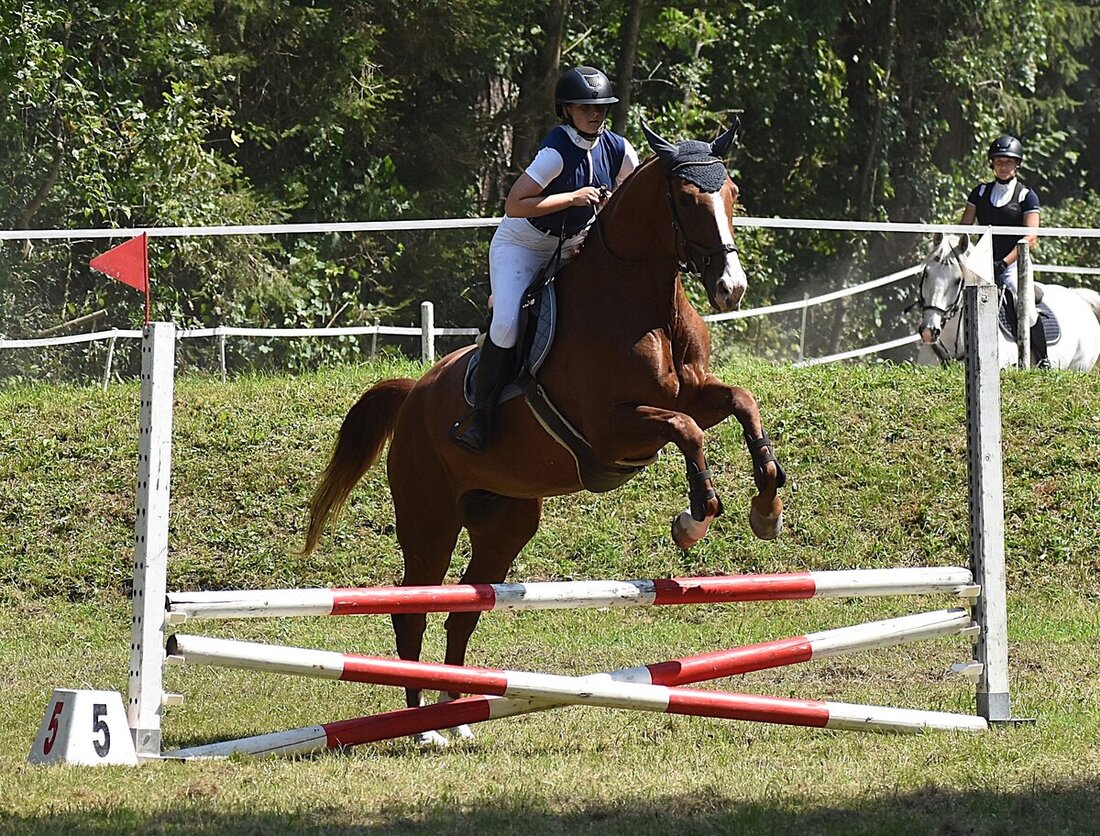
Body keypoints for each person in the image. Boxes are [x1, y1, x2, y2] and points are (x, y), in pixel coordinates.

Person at [452, 66, 641, 453]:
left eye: (601, 107)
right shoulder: (555, 153)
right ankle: (482, 414)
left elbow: (630, 197)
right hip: (523, 246)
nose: (595, 114)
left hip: (573, 245)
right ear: (566, 110)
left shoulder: (620, 150)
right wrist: (573, 198)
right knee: (506, 326)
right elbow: (515, 204)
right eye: (585, 107)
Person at [959, 134, 1047, 367]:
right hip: (981, 262)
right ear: (992, 163)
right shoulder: (979, 193)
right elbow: (963, 228)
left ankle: (1042, 359)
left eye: (1008, 162)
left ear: (1017, 164)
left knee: (1024, 307)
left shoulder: (1026, 196)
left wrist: (1004, 263)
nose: (1003, 166)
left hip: (1013, 265)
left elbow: (1031, 238)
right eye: (999, 161)